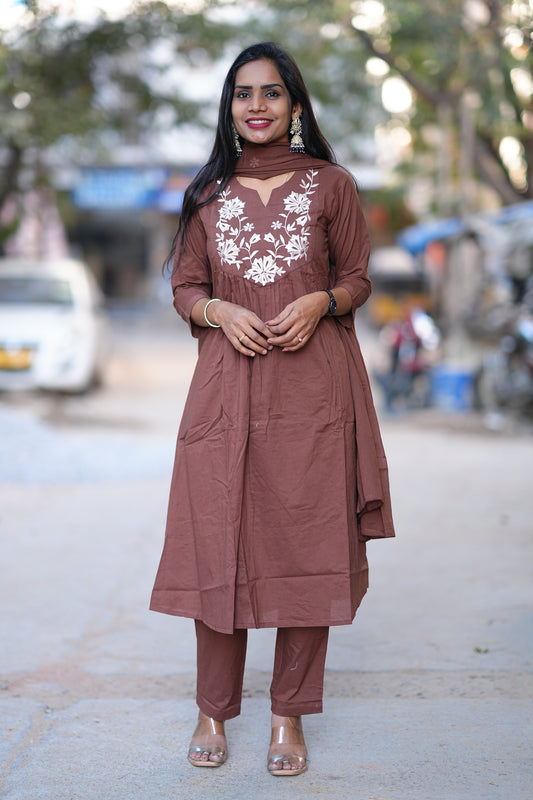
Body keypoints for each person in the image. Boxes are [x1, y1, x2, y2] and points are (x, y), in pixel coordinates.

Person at [150, 41, 395, 777]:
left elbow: (357, 276)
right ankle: (212, 710)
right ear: (228, 109)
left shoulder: (330, 185)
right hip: (225, 392)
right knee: (215, 542)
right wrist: (219, 310)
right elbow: (185, 287)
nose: (255, 106)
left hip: (311, 396)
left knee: (304, 550)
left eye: (270, 94)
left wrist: (323, 301)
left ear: (294, 106)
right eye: (241, 94)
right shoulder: (206, 195)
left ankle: (287, 713)